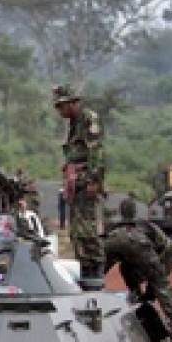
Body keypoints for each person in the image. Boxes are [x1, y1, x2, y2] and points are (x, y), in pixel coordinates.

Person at [104, 198, 172, 342]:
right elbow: (159, 275)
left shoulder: (115, 225)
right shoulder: (154, 232)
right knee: (161, 283)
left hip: (113, 241)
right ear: (135, 212)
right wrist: (151, 291)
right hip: (138, 244)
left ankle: (80, 294)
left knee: (101, 273)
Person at [54, 85, 106, 290]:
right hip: (77, 181)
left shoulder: (87, 119)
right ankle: (86, 272)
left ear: (72, 103)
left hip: (86, 181)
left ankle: (96, 272)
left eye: (62, 107)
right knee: (76, 232)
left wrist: (94, 180)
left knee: (88, 230)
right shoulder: (74, 123)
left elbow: (96, 152)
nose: (60, 112)